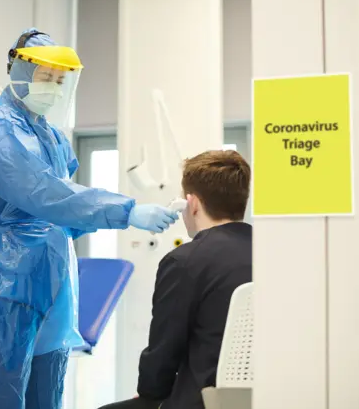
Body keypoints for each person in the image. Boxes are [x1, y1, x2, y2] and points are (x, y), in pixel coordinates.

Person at [0, 28, 178, 409]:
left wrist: (116, 216)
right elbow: (42, 194)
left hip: (53, 276)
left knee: (47, 392)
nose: (54, 88)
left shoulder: (53, 137)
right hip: (3, 280)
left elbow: (65, 214)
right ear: (20, 71)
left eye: (60, 80)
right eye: (46, 77)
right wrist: (127, 211)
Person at [99, 150, 252, 409]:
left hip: (199, 400)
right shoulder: (274, 255)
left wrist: (149, 392)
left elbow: (163, 351)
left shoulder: (184, 262)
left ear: (191, 204)